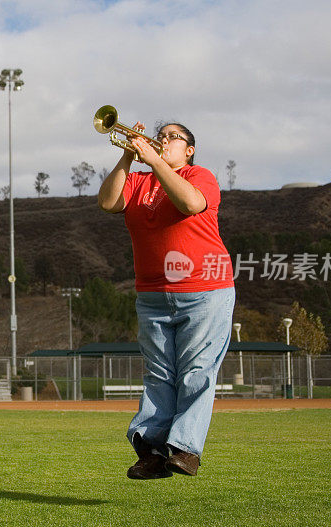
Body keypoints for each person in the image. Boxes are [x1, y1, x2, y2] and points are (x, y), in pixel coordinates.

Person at [97, 121, 235, 479]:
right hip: (153, 295)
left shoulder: (200, 175)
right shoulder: (140, 181)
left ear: (189, 149)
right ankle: (153, 452)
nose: (164, 140)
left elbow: (190, 202)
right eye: (161, 135)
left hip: (204, 291)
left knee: (195, 372)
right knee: (158, 376)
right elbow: (108, 202)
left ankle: (185, 448)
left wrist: (155, 161)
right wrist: (129, 155)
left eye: (174, 137)